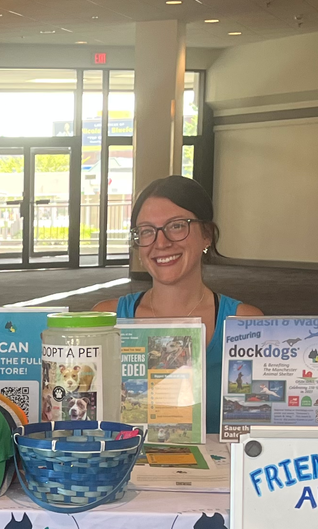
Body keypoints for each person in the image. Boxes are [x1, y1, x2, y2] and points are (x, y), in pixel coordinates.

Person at [95, 175, 262, 425]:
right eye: (147, 231)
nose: (161, 243)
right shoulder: (107, 319)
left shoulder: (245, 323)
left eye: (176, 226)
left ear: (207, 234)